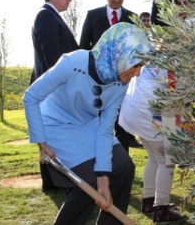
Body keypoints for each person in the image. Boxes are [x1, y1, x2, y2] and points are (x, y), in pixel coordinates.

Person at [24, 22, 152, 225]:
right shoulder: (73, 63)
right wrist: (40, 142)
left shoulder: (121, 82)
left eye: (141, 66)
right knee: (87, 184)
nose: (137, 73)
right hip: (55, 123)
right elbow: (30, 97)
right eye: (136, 64)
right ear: (119, 54)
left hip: (87, 123)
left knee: (123, 168)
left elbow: (104, 128)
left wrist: (104, 177)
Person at [79, 0, 142, 151]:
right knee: (98, 127)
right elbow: (84, 48)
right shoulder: (93, 16)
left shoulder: (132, 18)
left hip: (122, 85)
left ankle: (121, 168)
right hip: (97, 85)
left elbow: (137, 52)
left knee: (122, 127)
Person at [31, 0, 80, 192]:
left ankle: (55, 181)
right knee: (51, 136)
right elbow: (53, 58)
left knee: (53, 134)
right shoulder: (45, 17)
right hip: (51, 90)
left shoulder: (52, 17)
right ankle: (52, 182)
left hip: (53, 89)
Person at [119, 67, 185, 222]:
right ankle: (161, 209)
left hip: (135, 112)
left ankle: (148, 201)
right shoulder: (174, 63)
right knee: (166, 161)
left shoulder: (154, 55)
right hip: (149, 115)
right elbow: (182, 93)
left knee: (154, 158)